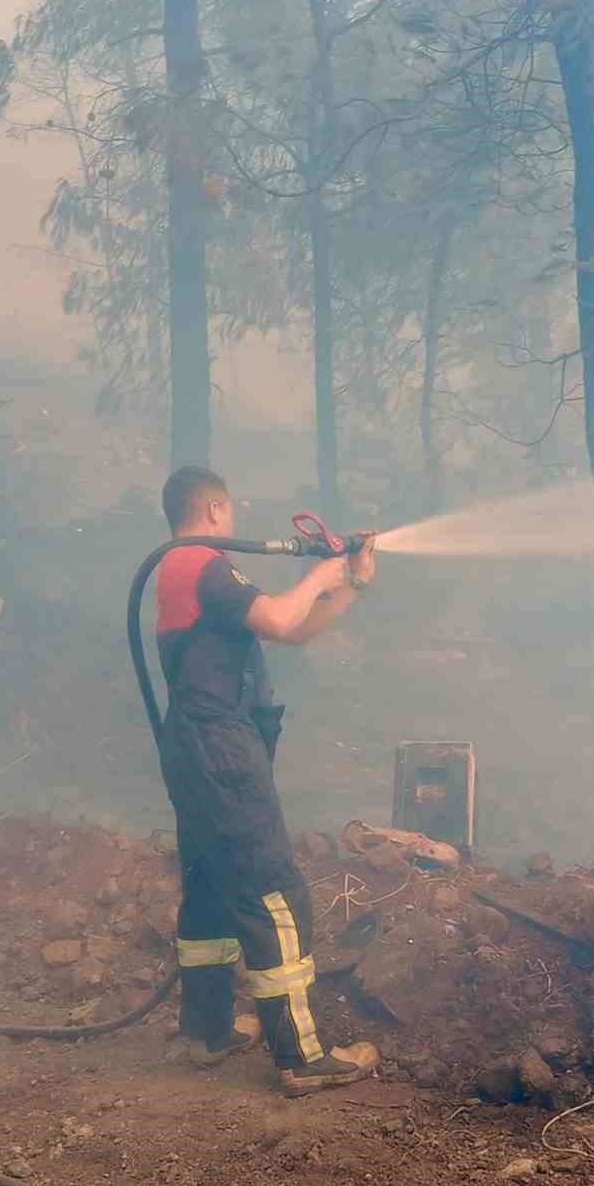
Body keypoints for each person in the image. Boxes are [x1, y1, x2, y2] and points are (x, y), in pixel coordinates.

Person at [154, 466, 381, 1096]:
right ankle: (301, 1056)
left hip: (196, 744)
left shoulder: (184, 570)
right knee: (273, 889)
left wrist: (350, 587)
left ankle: (207, 1034)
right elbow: (283, 619)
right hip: (220, 743)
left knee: (209, 884)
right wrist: (321, 574)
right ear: (216, 508)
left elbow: (298, 630)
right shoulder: (203, 564)